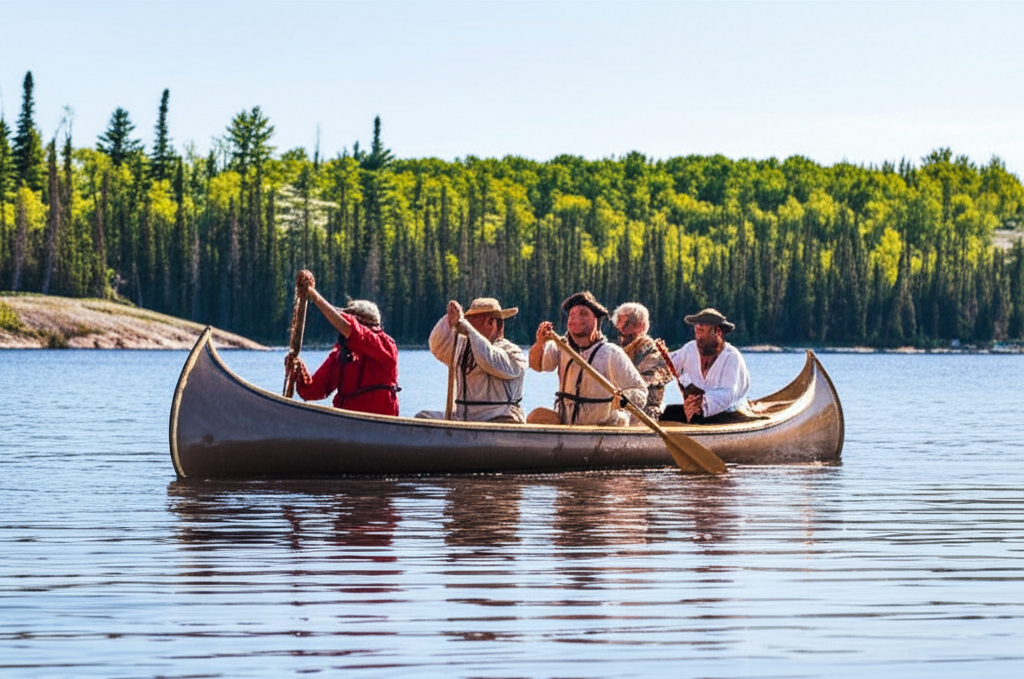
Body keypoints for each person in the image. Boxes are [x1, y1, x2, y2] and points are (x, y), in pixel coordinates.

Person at [285, 270, 400, 416]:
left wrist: (313, 295)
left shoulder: (385, 346)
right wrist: (298, 370)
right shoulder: (341, 353)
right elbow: (313, 390)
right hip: (345, 427)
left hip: (378, 426)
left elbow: (354, 331)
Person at [527, 291, 647, 426]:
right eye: (572, 315)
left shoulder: (611, 354)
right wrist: (540, 343)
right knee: (536, 416)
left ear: (596, 320)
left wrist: (624, 399)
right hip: (568, 427)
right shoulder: (560, 347)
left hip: (600, 429)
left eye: (583, 314)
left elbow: (640, 392)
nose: (575, 319)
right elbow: (536, 365)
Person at [417, 297, 527, 423]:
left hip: (501, 419)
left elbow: (489, 360)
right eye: (467, 321)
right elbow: (437, 346)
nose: (467, 325)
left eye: (472, 322)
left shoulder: (513, 353)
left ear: (490, 323)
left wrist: (467, 327)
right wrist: (449, 320)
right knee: (423, 418)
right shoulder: (463, 348)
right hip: (465, 419)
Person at [663, 308, 750, 424]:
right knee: (663, 413)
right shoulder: (690, 349)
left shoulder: (731, 357)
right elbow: (668, 364)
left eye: (704, 324)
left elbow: (728, 394)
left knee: (697, 417)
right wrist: (660, 354)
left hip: (730, 412)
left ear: (718, 332)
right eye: (697, 324)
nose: (698, 327)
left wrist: (702, 403)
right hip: (696, 411)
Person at [612, 302, 673, 421]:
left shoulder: (655, 353)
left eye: (629, 323)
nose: (622, 328)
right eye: (619, 322)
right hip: (618, 409)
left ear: (642, 326)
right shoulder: (615, 351)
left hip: (644, 414)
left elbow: (642, 383)